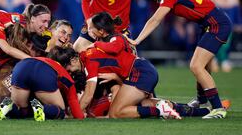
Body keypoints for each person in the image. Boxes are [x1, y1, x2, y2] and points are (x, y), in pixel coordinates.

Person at [128, 0, 232, 119]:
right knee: (203, 67)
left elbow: (155, 19)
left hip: (216, 24)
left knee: (196, 66)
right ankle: (201, 100)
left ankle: (218, 108)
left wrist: (137, 40)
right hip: (210, 22)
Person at [66, 12, 211, 119]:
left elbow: (89, 94)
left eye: (69, 68)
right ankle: (202, 111)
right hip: (140, 71)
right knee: (143, 104)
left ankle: (161, 111)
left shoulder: (96, 52)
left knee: (116, 113)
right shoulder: (97, 48)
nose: (89, 31)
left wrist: (76, 114)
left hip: (140, 73)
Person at [0, 46, 84, 121]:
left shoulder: (46, 60)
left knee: (22, 110)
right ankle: (42, 109)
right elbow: (73, 101)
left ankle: (8, 106)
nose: (71, 73)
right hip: (43, 71)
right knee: (60, 112)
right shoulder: (66, 76)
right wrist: (80, 116)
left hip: (21, 66)